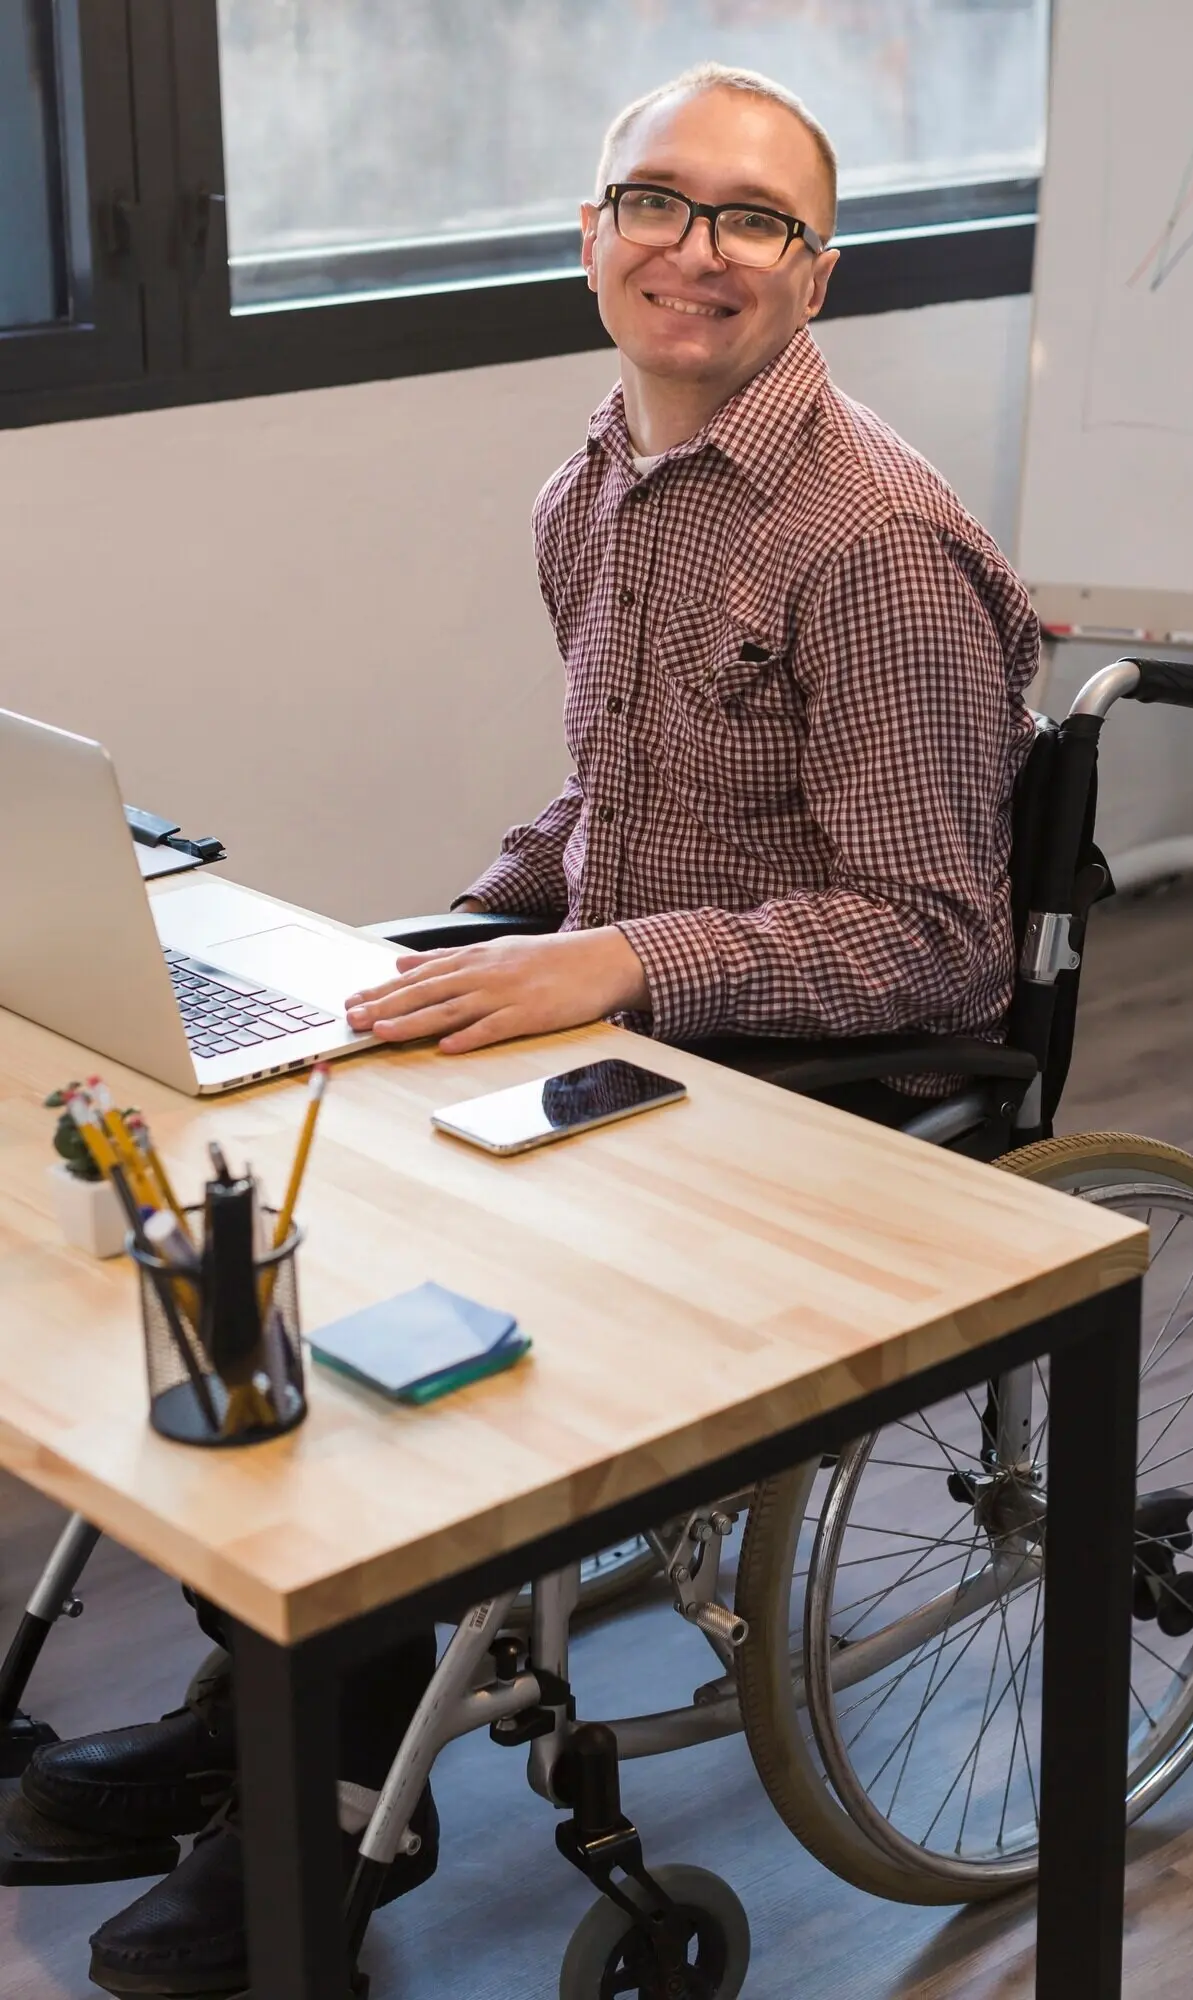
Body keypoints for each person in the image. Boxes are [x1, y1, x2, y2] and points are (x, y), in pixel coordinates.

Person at [20, 62, 1039, 1996]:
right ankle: (275, 1706)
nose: (696, 248)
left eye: (755, 219)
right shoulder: (602, 478)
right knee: (255, 1197)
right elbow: (622, 804)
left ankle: (329, 1787)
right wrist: (461, 930)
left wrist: (620, 962)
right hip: (641, 1013)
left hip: (818, 1087)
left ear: (816, 275)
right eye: (658, 201)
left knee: (367, 1282)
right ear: (592, 235)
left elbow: (935, 945)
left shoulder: (872, 542)